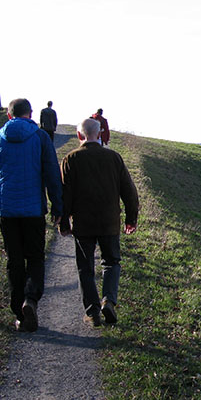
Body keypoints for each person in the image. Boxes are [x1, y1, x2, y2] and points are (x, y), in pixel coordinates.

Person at [0, 98, 62, 332]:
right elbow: (52, 175)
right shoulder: (41, 138)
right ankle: (31, 299)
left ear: (9, 116)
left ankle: (19, 312)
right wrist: (58, 207)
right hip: (33, 210)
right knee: (36, 258)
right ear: (31, 114)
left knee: (14, 260)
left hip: (6, 210)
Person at [60, 118, 138, 326]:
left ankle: (93, 312)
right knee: (111, 262)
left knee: (85, 267)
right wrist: (131, 218)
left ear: (79, 136)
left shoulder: (70, 159)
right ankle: (108, 301)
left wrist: (63, 222)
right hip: (109, 222)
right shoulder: (114, 157)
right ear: (100, 133)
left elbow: (64, 195)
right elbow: (129, 191)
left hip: (83, 223)